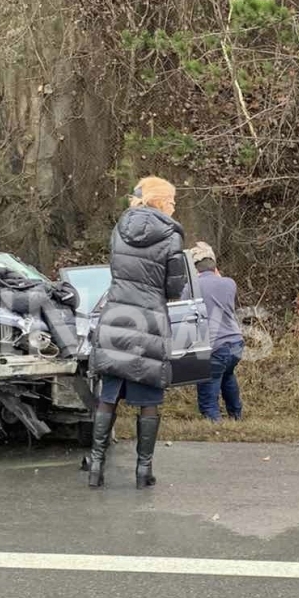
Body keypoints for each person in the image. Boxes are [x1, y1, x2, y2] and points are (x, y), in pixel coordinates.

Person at [87, 176, 185, 489]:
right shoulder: (171, 237)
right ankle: (144, 470)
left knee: (109, 394)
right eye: (171, 199)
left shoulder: (119, 229)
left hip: (116, 313)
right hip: (149, 319)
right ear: (160, 201)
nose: (174, 205)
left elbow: (116, 271)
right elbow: (174, 287)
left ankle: (96, 466)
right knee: (149, 396)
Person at [187, 242, 244, 422]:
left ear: (195, 268)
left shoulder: (192, 287)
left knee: (208, 388)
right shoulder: (229, 284)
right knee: (227, 375)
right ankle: (236, 415)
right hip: (235, 343)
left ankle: (214, 422)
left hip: (214, 345)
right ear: (215, 266)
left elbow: (184, 309)